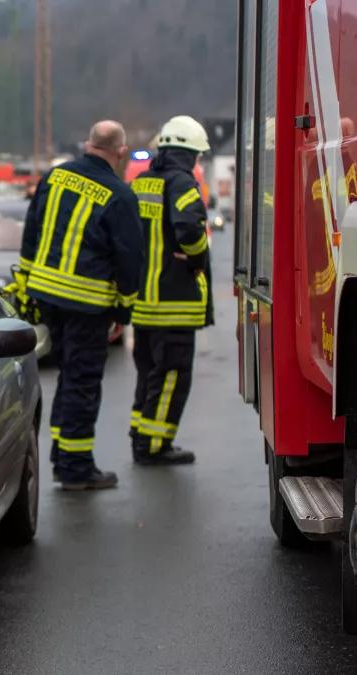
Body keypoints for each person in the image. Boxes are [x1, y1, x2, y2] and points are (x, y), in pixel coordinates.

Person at [20, 120, 144, 490]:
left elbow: (32, 230)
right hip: (87, 305)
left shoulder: (54, 177)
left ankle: (62, 454)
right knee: (82, 382)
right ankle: (74, 468)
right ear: (120, 152)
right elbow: (129, 259)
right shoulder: (119, 195)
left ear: (88, 144)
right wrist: (122, 311)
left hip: (47, 296)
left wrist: (28, 287)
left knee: (67, 378)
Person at [128, 115, 213, 466]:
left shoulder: (143, 182)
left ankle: (140, 435)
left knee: (149, 372)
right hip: (173, 302)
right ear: (188, 153)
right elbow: (189, 230)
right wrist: (196, 260)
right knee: (172, 375)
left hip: (143, 303)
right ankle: (154, 445)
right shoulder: (182, 183)